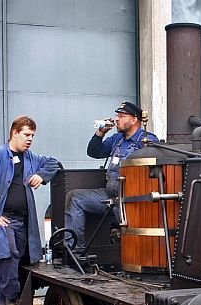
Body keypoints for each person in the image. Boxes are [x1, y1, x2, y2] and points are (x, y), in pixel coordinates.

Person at [0, 115, 60, 305]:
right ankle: (12, 301)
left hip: (23, 222)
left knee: (14, 264)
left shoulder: (30, 158)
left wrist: (41, 175)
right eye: (26, 135)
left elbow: (53, 162)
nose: (30, 139)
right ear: (14, 133)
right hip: (3, 221)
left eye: (33, 136)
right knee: (8, 259)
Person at [64, 101, 158, 252]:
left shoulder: (147, 141)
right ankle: (74, 251)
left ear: (134, 119)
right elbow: (94, 152)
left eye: (121, 116)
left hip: (131, 199)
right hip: (110, 196)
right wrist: (100, 133)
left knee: (136, 238)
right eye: (117, 115)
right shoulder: (116, 139)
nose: (116, 119)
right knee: (75, 198)